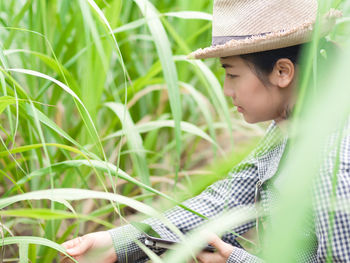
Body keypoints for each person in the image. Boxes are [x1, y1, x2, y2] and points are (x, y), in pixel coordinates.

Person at [62, 0, 349, 262]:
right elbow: (231, 199)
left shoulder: (333, 162)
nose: (226, 90)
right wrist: (121, 241)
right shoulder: (291, 128)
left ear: (283, 72)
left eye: (233, 74)